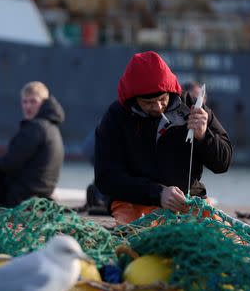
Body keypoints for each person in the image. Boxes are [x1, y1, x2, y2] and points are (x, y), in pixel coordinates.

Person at [94, 51, 232, 224]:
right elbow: (106, 178)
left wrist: (204, 137)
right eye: (148, 103)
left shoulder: (192, 107)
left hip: (188, 201)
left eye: (162, 99)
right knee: (145, 242)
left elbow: (223, 163)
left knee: (220, 241)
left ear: (170, 91)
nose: (158, 107)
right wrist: (158, 193)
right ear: (133, 99)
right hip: (134, 203)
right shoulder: (116, 117)